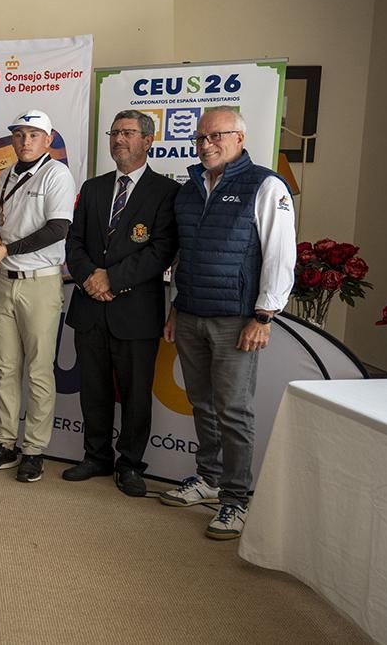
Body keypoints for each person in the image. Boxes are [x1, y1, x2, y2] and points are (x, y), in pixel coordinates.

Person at [160, 106, 296, 540]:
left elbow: (279, 254)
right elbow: (186, 256)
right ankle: (209, 479)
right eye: (201, 137)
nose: (206, 144)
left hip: (238, 319)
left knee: (233, 410)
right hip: (192, 314)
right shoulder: (189, 189)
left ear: (239, 137)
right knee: (202, 404)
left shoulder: (265, 184)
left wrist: (264, 314)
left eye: (216, 136)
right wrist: (177, 307)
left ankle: (236, 499)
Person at [63, 111, 179, 496]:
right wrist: (90, 279)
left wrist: (111, 278)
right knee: (92, 388)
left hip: (136, 311)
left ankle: (130, 464)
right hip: (90, 307)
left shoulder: (166, 192)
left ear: (148, 141)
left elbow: (162, 249)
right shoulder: (93, 188)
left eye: (128, 133)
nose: (118, 140)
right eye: (115, 133)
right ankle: (96, 456)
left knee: (135, 394)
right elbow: (73, 243)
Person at [0, 110, 74, 484]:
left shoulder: (57, 174)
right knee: (5, 367)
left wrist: (7, 248)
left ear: (47, 140)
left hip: (40, 282)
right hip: (3, 280)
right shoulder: (5, 176)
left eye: (33, 134)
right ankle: (4, 443)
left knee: (39, 370)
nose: (25, 141)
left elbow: (58, 228)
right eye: (19, 134)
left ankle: (34, 449)